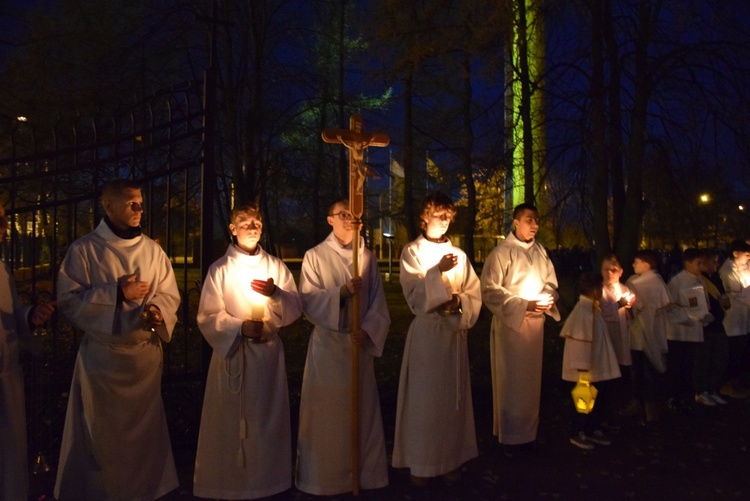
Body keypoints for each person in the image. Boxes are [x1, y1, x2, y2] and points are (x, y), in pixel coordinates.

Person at [54, 178, 181, 500]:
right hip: (104, 361)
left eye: (140, 202)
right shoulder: (84, 250)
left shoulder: (153, 251)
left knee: (145, 436)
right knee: (104, 435)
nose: (139, 208)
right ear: (107, 206)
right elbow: (68, 301)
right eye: (130, 203)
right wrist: (116, 294)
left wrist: (156, 309)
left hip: (143, 359)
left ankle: (146, 490)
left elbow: (169, 294)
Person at [193, 203, 302, 499]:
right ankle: (230, 484)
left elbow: (294, 307)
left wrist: (275, 294)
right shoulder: (221, 269)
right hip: (235, 357)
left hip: (268, 358)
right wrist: (239, 327)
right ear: (232, 228)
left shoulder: (275, 267)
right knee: (233, 426)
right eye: (244, 221)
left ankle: (270, 481)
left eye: (256, 221)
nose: (252, 226)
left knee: (267, 422)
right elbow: (207, 315)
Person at [295, 199, 390, 495]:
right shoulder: (315, 256)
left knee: (361, 411)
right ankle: (324, 478)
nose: (350, 219)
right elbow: (308, 300)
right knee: (327, 416)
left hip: (357, 343)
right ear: (330, 219)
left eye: (354, 214)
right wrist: (341, 293)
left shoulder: (367, 257)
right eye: (343, 214)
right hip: (328, 346)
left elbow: (378, 303)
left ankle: (364, 476)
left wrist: (368, 330)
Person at [392, 193, 481, 486]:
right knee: (425, 401)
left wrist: (458, 302)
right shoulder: (412, 252)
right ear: (424, 217)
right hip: (428, 337)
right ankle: (421, 462)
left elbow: (473, 293)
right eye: (438, 215)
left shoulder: (461, 256)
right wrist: (437, 272)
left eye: (447, 215)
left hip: (453, 336)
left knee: (450, 401)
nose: (444, 220)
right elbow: (414, 296)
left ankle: (449, 460)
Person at [480, 203, 560, 447]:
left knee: (530, 384)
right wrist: (522, 305)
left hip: (535, 329)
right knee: (511, 382)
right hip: (511, 327)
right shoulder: (501, 253)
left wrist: (547, 298)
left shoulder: (541, 252)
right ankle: (510, 435)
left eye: (537, 220)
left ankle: (528, 434)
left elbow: (551, 283)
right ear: (515, 222)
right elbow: (489, 290)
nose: (534, 224)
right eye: (529, 219)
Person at [0, 204, 55, 500]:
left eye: (4, 218)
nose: (5, 225)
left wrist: (29, 316)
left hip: (6, 378)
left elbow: (8, 317)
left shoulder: (0, 268)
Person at [561, 272, 620, 450]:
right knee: (582, 403)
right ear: (595, 290)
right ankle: (578, 432)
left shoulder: (592, 309)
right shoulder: (583, 313)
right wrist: (583, 370)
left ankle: (591, 429)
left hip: (594, 366)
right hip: (585, 370)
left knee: (594, 401)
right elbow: (580, 342)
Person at [623, 250, 670, 422]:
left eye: (637, 261)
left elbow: (663, 304)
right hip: (636, 332)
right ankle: (637, 402)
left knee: (649, 370)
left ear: (647, 264)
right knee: (636, 370)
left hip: (650, 332)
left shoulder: (656, 283)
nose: (634, 265)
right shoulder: (632, 282)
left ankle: (652, 407)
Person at [665, 248, 710, 410]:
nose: (702, 267)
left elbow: (703, 303)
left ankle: (687, 397)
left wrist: (704, 315)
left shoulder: (700, 281)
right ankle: (674, 397)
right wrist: (688, 314)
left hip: (694, 332)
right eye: (699, 263)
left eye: (703, 263)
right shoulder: (676, 282)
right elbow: (669, 307)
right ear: (688, 263)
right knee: (678, 367)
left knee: (690, 366)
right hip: (679, 333)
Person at [599, 254, 635, 405]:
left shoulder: (625, 288)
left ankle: (623, 398)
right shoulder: (599, 290)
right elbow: (602, 312)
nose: (609, 273)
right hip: (607, 333)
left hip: (623, 333)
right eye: (606, 269)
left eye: (613, 269)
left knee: (623, 365)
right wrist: (619, 305)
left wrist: (630, 308)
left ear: (621, 271)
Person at [695, 248, 729, 405]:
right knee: (704, 360)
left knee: (718, 359)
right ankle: (701, 391)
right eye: (713, 262)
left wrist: (725, 303)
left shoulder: (716, 278)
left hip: (718, 324)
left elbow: (724, 299)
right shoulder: (698, 280)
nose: (716, 266)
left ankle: (712, 389)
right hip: (705, 326)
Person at [718, 239, 750, 399]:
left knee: (740, 353)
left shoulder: (744, 268)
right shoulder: (728, 271)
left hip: (744, 319)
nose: (748, 258)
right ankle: (727, 384)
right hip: (733, 320)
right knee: (732, 353)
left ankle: (735, 382)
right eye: (746, 255)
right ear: (735, 254)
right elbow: (741, 295)